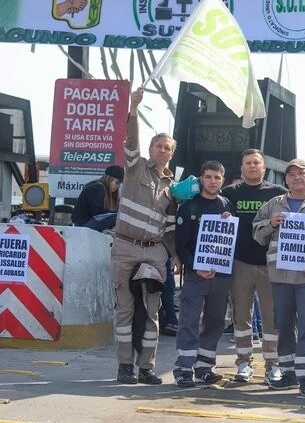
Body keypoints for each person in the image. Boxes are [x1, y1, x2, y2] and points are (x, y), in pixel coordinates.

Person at [112, 87, 178, 385]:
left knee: (152, 312)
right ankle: (125, 366)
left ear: (172, 153)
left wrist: (174, 254)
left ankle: (147, 367)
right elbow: (131, 141)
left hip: (155, 252)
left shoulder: (175, 187)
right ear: (150, 149)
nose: (162, 151)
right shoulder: (135, 167)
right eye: (159, 146)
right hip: (125, 248)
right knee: (125, 309)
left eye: (167, 148)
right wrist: (134, 108)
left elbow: (173, 225)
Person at [253, 158, 305, 397]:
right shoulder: (274, 204)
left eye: (301, 173)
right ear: (286, 179)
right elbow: (256, 234)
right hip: (280, 277)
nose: (297, 177)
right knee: (283, 325)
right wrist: (270, 224)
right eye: (292, 174)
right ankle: (288, 373)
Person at [221, 149, 286, 385]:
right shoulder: (228, 193)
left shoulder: (278, 194)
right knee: (241, 317)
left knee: (271, 319)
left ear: (264, 167)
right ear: (241, 168)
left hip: (270, 264)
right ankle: (243, 363)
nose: (252, 166)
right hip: (240, 262)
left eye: (256, 163)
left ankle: (273, 366)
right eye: (247, 163)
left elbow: (304, 204)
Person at [173, 161, 235, 387]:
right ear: (201, 179)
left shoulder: (227, 204)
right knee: (189, 321)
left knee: (216, 321)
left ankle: (205, 367)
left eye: (217, 177)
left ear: (223, 180)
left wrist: (229, 223)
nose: (212, 181)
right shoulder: (189, 207)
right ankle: (183, 368)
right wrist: (195, 267)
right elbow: (182, 245)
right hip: (196, 275)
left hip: (221, 275)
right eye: (208, 177)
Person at [71, 165, 124, 231]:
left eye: (119, 184)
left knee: (119, 216)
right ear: (109, 179)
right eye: (117, 183)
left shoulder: (105, 190)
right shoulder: (97, 188)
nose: (118, 186)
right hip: (83, 225)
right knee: (116, 217)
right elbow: (97, 212)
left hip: (89, 223)